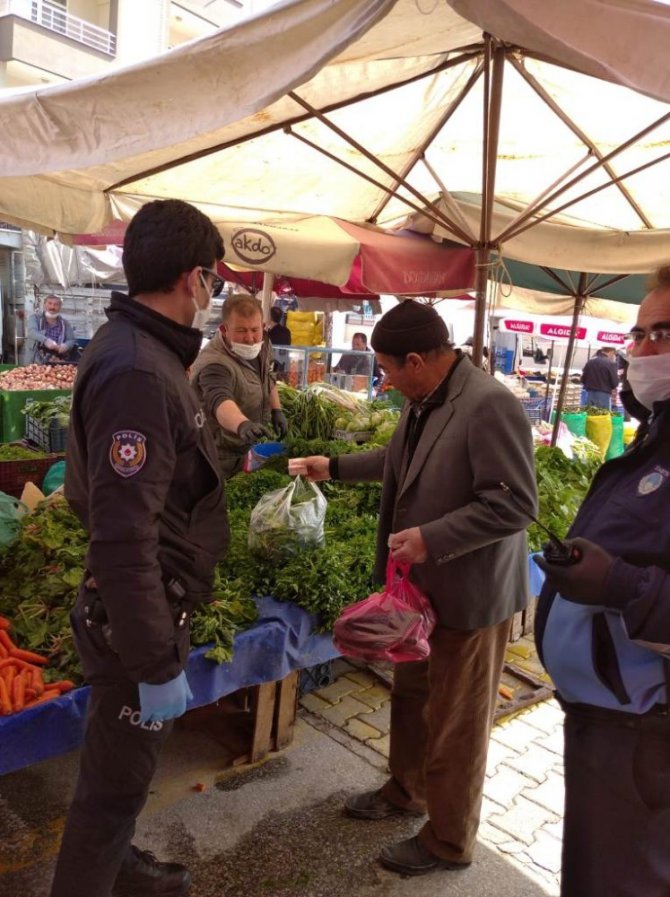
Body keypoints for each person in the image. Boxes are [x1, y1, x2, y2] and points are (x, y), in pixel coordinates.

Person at [295, 300, 537, 876]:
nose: (384, 380)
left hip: (471, 596)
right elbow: (397, 458)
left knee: (456, 722)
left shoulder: (489, 404)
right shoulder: (426, 399)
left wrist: (431, 537)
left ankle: (449, 842)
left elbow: (515, 503)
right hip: (419, 596)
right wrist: (333, 466)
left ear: (415, 360)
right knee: (412, 696)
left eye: (387, 369)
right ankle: (406, 791)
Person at [50, 199, 229, 897]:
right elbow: (124, 541)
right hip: (136, 617)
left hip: (148, 606)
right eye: (212, 280)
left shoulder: (145, 349)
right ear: (193, 278)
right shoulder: (136, 370)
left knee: (119, 774)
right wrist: (155, 661)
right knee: (109, 792)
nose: (211, 294)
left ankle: (121, 871)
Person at [534, 265, 670, 897]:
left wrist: (617, 584)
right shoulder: (654, 437)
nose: (641, 351)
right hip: (608, 728)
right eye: (638, 334)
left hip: (650, 740)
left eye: (662, 333)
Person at [190, 293, 289, 479]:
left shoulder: (263, 343)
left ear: (263, 326)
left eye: (255, 329)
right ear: (224, 329)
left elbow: (268, 374)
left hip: (248, 449)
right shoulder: (215, 363)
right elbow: (219, 400)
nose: (250, 338)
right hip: (218, 454)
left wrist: (277, 410)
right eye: (241, 331)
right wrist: (242, 424)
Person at [27, 294, 77, 363]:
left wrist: (66, 346)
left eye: (56, 304)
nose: (52, 307)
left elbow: (71, 340)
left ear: (60, 307)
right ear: (44, 305)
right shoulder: (35, 318)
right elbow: (32, 332)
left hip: (56, 360)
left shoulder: (65, 323)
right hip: (35, 360)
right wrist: (46, 341)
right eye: (49, 303)